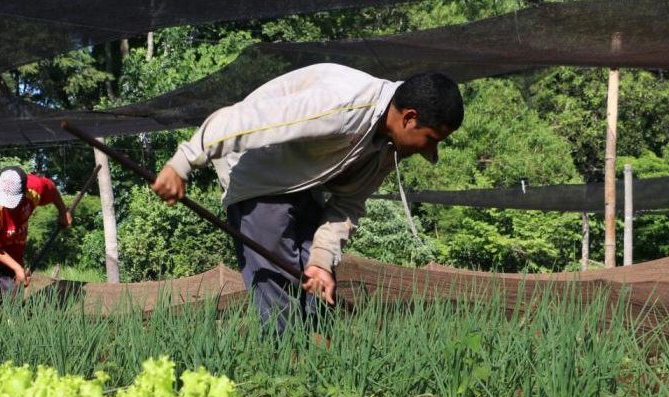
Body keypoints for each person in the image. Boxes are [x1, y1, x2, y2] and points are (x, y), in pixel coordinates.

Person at [151, 63, 463, 330]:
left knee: (315, 284)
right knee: (275, 275)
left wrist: (321, 263)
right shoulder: (342, 105)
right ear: (409, 118)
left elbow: (347, 204)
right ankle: (282, 366)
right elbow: (246, 119)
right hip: (258, 172)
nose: (429, 151)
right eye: (430, 139)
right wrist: (183, 162)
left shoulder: (388, 147)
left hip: (305, 182)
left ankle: (313, 366)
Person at [0, 166, 72, 298]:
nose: (5, 205)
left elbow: (51, 190)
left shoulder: (35, 188)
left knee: (13, 298)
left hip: (12, 244)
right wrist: (18, 269)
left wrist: (63, 212)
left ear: (24, 192)